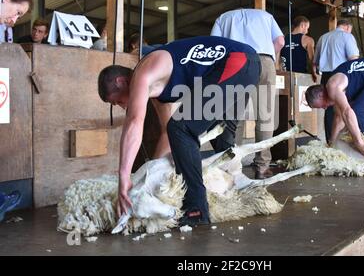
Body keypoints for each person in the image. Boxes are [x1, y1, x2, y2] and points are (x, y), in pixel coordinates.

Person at [98, 36, 261, 226]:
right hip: (247, 66)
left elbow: (134, 121)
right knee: (217, 134)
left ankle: (196, 208)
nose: (120, 106)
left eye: (117, 101)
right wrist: (151, 178)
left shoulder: (145, 71)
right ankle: (237, 190)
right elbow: (168, 135)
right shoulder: (158, 93)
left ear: (121, 81)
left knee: (182, 127)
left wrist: (124, 176)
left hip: (237, 61)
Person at [211, 8, 284, 179]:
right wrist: (271, 57)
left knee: (234, 116)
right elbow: (280, 41)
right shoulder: (266, 16)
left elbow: (215, 44)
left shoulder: (223, 16)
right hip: (264, 60)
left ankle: (231, 167)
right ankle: (262, 167)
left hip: (237, 61)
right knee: (265, 116)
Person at [305, 56, 364, 156]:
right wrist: (331, 145)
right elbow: (338, 118)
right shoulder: (336, 92)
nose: (324, 108)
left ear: (320, 95)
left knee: (359, 112)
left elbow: (347, 112)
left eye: (321, 106)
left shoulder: (333, 86)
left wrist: (358, 142)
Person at [314, 19, 360, 143]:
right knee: (344, 108)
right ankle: (344, 142)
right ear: (347, 26)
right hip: (341, 76)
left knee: (328, 109)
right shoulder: (347, 36)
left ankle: (330, 141)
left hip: (326, 76)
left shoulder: (323, 38)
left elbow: (315, 62)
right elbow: (354, 60)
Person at [280, 15, 316, 82]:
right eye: (307, 28)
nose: (307, 31)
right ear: (302, 25)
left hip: (286, 76)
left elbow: (277, 59)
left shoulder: (282, 39)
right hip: (301, 76)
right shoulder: (308, 39)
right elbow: (312, 59)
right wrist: (314, 74)